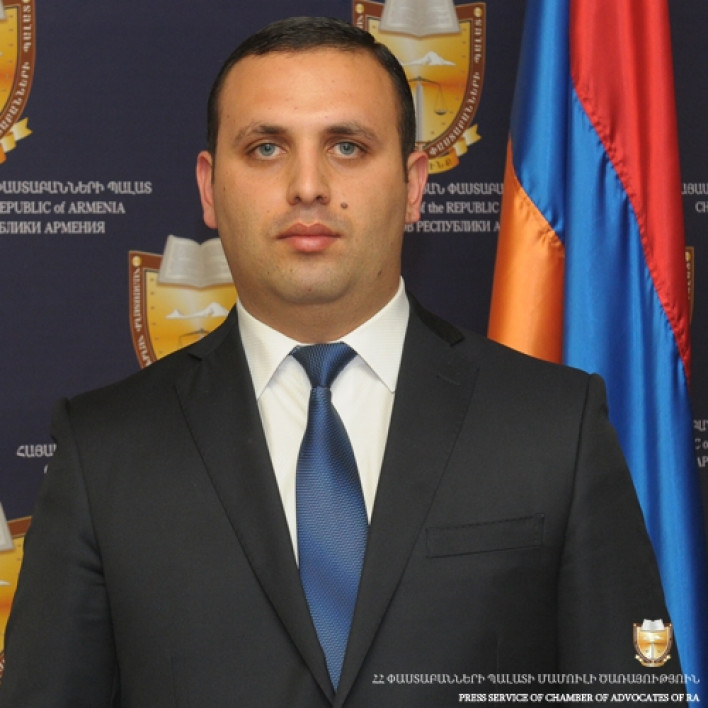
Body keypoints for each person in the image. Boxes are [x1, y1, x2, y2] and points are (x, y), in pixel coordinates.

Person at [0, 16, 682, 707]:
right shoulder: (103, 452)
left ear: (414, 185)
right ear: (209, 189)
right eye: (266, 148)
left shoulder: (553, 427)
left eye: (348, 146)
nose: (308, 185)